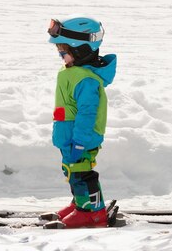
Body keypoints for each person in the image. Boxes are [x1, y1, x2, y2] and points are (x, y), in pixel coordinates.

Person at [46, 17, 117, 228]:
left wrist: (80, 141)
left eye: (63, 52)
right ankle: (80, 203)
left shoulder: (86, 80)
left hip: (81, 137)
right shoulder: (72, 72)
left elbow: (87, 114)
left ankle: (93, 212)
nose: (61, 57)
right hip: (69, 135)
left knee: (82, 173)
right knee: (71, 171)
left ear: (81, 50)